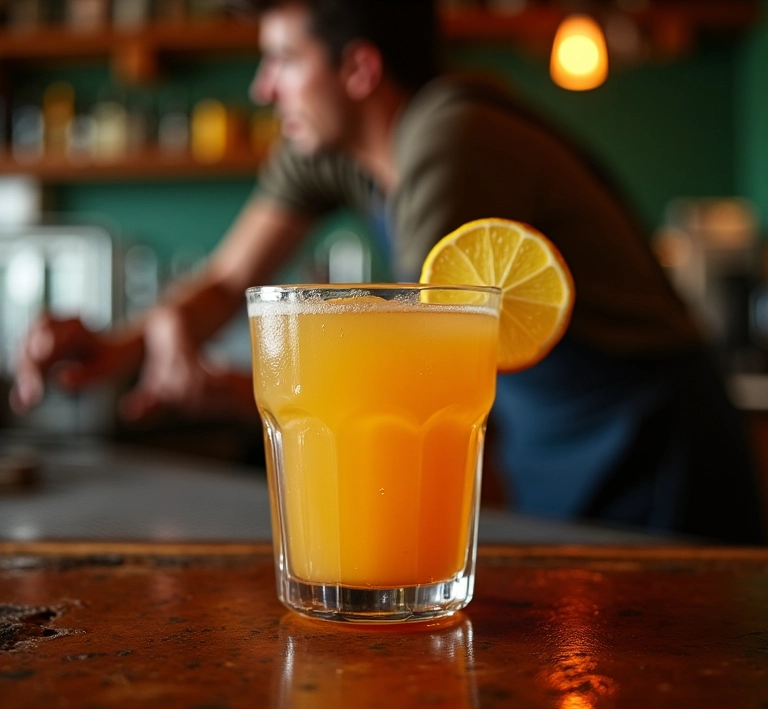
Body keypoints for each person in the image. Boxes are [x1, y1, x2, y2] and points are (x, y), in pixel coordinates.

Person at [9, 0, 765, 544]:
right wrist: (112, 351)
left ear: (360, 68)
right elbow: (224, 279)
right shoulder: (327, 149)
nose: (261, 89)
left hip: (647, 434)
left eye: (281, 61)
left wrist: (258, 398)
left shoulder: (448, 138)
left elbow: (419, 374)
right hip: (549, 431)